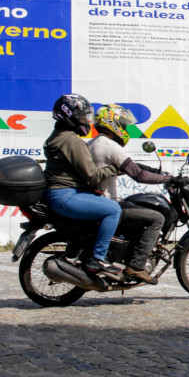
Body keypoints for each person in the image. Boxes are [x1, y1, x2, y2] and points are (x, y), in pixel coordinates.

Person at [89, 103, 174, 285]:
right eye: (123, 125)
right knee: (156, 218)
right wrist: (169, 179)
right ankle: (136, 266)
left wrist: (152, 170)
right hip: (109, 203)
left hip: (96, 202)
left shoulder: (93, 143)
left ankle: (126, 256)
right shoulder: (110, 146)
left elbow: (122, 169)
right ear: (112, 123)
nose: (125, 129)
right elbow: (138, 175)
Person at [43, 94, 123, 276]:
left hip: (54, 194)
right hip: (65, 195)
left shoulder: (57, 136)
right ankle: (98, 259)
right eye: (82, 117)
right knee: (113, 209)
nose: (86, 121)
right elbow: (92, 176)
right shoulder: (73, 141)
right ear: (70, 116)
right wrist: (113, 169)